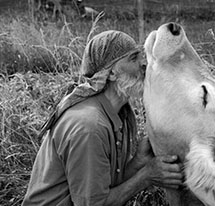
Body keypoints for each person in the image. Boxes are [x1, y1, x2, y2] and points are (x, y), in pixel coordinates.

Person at [22, 30, 183, 206]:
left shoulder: (115, 112)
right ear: (112, 73)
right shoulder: (89, 127)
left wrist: (138, 161)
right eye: (133, 58)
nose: (143, 64)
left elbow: (102, 186)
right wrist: (146, 177)